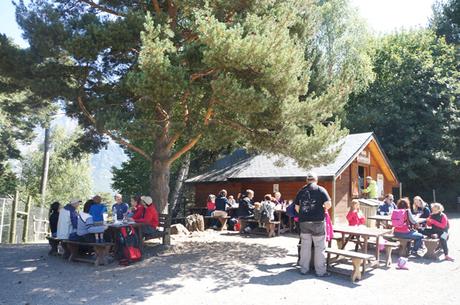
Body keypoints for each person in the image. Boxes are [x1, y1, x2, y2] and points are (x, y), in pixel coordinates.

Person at [295, 172, 331, 277]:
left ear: (307, 180)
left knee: (305, 246)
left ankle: (304, 269)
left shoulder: (301, 191)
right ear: (316, 180)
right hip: (318, 222)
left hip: (304, 222)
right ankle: (320, 271)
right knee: (319, 246)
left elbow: (297, 208)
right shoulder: (321, 190)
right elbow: (328, 204)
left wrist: (304, 214)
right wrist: (323, 208)